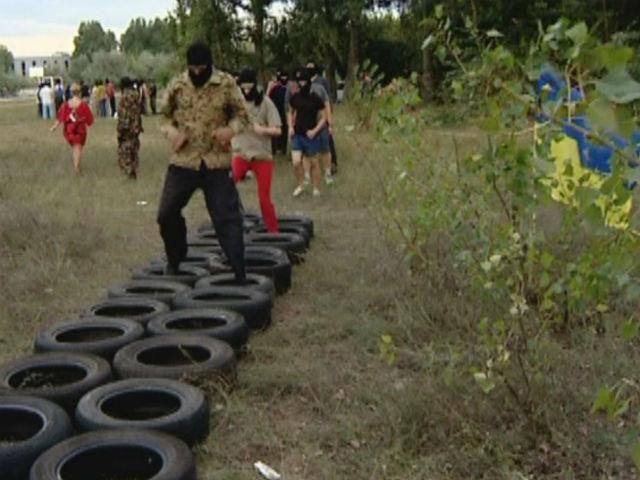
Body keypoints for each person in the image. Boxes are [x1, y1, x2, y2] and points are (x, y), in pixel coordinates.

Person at [158, 41, 250, 280]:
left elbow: (243, 115)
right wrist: (172, 133)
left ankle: (238, 268)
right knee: (166, 214)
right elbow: (164, 116)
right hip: (184, 160)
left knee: (226, 217)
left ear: (209, 65)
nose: (197, 73)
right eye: (193, 68)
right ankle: (176, 257)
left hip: (215, 161)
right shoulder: (178, 85)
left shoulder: (226, 83)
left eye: (202, 68)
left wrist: (230, 130)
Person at [232, 68, 282, 233]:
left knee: (264, 198)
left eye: (249, 87)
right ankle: (231, 224)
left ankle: (273, 232)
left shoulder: (266, 103)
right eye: (243, 88)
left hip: (261, 155)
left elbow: (278, 130)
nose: (246, 91)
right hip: (241, 154)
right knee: (225, 186)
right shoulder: (235, 104)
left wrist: (263, 130)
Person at [288, 68, 327, 197]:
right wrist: (290, 127)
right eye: (300, 81)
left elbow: (324, 117)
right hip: (298, 134)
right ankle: (301, 185)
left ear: (309, 81)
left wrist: (315, 130)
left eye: (304, 81)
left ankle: (316, 188)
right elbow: (290, 112)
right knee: (296, 162)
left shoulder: (315, 98)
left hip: (311, 136)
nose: (302, 84)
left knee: (314, 162)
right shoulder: (295, 97)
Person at [49, 82, 95, 175]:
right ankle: (76, 168)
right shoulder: (83, 105)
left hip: (69, 130)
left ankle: (77, 165)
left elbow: (60, 117)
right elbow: (89, 119)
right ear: (79, 93)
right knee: (77, 147)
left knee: (76, 147)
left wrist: (54, 127)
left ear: (71, 92)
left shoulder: (66, 104)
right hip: (80, 130)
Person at [307, 60, 338, 177]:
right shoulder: (305, 82)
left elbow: (327, 99)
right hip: (310, 118)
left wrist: (330, 118)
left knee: (328, 140)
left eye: (311, 67)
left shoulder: (322, 81)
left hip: (323, 116)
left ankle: (333, 163)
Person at [117, 77, 143, 179]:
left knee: (125, 149)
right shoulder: (136, 94)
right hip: (136, 125)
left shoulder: (125, 97)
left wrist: (121, 129)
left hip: (127, 126)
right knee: (134, 147)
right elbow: (138, 111)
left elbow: (123, 114)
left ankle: (128, 170)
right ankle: (134, 166)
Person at [268, 69, 289, 155]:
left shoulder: (288, 88)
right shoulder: (275, 88)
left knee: (285, 130)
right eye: (282, 76)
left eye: (285, 76)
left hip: (285, 111)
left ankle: (284, 148)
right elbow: (268, 98)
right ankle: (276, 148)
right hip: (277, 111)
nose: (283, 78)